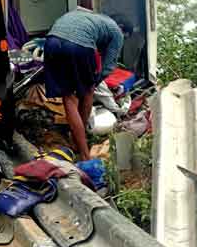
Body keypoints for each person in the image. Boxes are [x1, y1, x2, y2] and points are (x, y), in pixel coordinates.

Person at [42, 8, 131, 161]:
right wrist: (93, 83)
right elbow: (109, 65)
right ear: (121, 27)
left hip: (51, 43)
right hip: (78, 46)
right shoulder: (116, 31)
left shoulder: (90, 18)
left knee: (68, 97)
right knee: (88, 92)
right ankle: (84, 151)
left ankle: (75, 138)